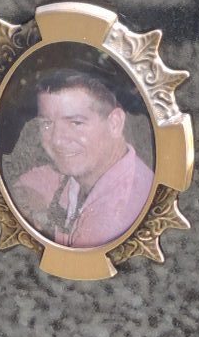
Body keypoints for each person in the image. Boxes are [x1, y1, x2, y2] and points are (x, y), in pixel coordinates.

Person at [12, 68, 153, 249]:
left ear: (115, 123)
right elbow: (43, 179)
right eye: (47, 123)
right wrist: (31, 198)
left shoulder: (117, 221)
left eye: (76, 123)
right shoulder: (87, 169)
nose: (57, 140)